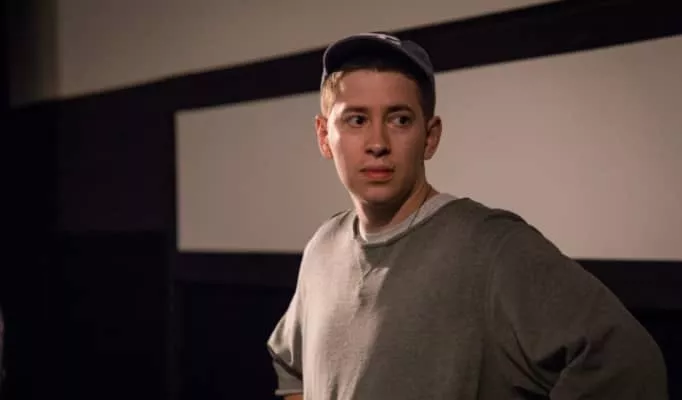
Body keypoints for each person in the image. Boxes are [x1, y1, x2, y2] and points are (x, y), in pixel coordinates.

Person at [266, 32, 668, 399]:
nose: (377, 142)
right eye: (356, 120)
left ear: (430, 136)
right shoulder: (323, 247)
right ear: (324, 136)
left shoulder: (492, 247)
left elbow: (629, 365)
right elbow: (291, 369)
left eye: (399, 119)